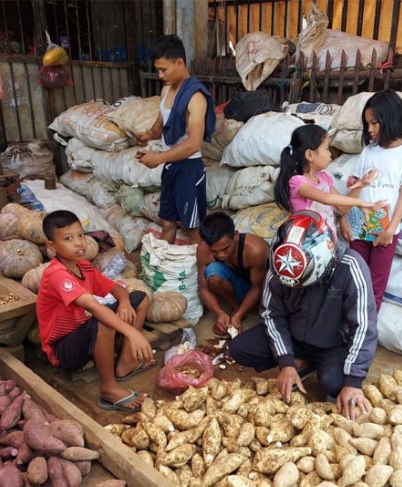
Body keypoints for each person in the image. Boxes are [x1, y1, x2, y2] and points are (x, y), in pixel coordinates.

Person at [228, 211, 378, 420]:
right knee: (239, 348)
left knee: (334, 383)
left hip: (332, 343)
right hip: (295, 336)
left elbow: (364, 326)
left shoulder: (351, 267)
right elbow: (272, 315)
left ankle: (317, 365)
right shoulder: (281, 267)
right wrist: (286, 362)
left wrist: (353, 381)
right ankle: (300, 362)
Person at [36, 210, 154, 412]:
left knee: (140, 299)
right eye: (68, 239)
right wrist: (132, 332)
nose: (78, 243)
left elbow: (116, 288)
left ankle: (126, 364)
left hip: (83, 330)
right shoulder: (57, 274)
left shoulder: (84, 267)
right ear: (51, 246)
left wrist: (124, 301)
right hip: (62, 350)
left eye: (81, 235)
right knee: (103, 319)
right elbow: (93, 307)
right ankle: (108, 390)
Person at [135, 34, 216, 245]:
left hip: (189, 169)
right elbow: (160, 126)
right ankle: (163, 264)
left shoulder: (195, 97)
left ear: (179, 63)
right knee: (168, 222)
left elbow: (194, 143)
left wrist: (158, 158)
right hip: (171, 167)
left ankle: (202, 274)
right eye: (157, 70)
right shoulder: (165, 91)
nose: (160, 75)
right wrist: (146, 136)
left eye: (164, 69)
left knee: (192, 227)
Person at [344, 90, 402, 311]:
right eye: (367, 124)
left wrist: (390, 230)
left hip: (385, 229)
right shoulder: (368, 152)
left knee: (375, 287)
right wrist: (345, 218)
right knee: (352, 280)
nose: (370, 129)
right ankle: (346, 330)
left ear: (390, 119)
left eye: (375, 123)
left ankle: (365, 335)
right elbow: (356, 189)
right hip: (359, 226)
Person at [274, 124, 383, 237]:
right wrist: (360, 202)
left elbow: (343, 208)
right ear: (310, 155)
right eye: (326, 148)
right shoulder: (297, 182)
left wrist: (361, 185)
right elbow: (327, 198)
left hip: (328, 244)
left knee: (356, 255)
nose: (330, 154)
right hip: (308, 247)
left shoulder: (324, 178)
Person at [197, 212, 269, 337]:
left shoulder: (255, 250)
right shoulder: (203, 250)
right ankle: (236, 308)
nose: (220, 255)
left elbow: (257, 287)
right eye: (214, 251)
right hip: (236, 281)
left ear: (235, 235)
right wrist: (218, 311)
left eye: (225, 249)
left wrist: (240, 314)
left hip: (257, 288)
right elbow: (204, 288)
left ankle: (240, 312)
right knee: (213, 273)